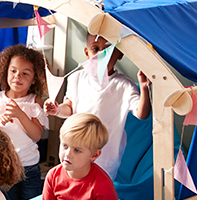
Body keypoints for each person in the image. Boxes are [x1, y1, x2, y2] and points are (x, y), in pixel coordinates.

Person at [44, 33, 151, 180]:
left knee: (99, 189)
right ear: (87, 53)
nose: (102, 55)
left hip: (106, 155)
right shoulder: (76, 78)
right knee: (73, 184)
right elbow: (69, 107)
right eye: (95, 49)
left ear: (119, 54)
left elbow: (141, 113)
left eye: (108, 49)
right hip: (75, 147)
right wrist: (57, 110)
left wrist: (144, 88)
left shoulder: (124, 85)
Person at [0, 44, 48, 200]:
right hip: (3, 167)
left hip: (29, 167)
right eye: (13, 71)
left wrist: (20, 114)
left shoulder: (34, 101)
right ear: (6, 71)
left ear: (34, 79)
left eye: (25, 73)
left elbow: (36, 135)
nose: (18, 76)